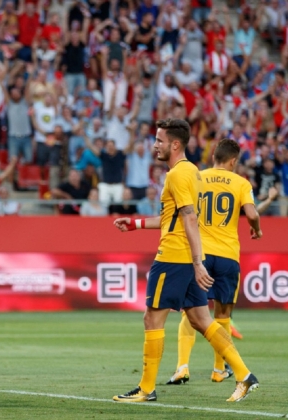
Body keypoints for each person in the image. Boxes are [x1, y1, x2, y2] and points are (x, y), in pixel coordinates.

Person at [112, 119, 259, 403]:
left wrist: (197, 261)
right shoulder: (192, 172)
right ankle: (243, 375)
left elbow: (190, 217)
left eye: (159, 140)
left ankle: (146, 388)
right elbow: (175, 217)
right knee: (201, 318)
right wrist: (136, 223)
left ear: (174, 144)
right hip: (186, 257)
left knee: (152, 317)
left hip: (174, 257)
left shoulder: (178, 175)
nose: (155, 145)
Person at [166, 139, 278, 385]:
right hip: (227, 255)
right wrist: (256, 230)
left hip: (199, 254)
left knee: (192, 311)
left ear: (213, 156)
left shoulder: (197, 177)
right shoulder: (240, 182)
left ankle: (182, 367)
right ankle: (219, 369)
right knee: (223, 314)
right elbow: (251, 213)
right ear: (233, 160)